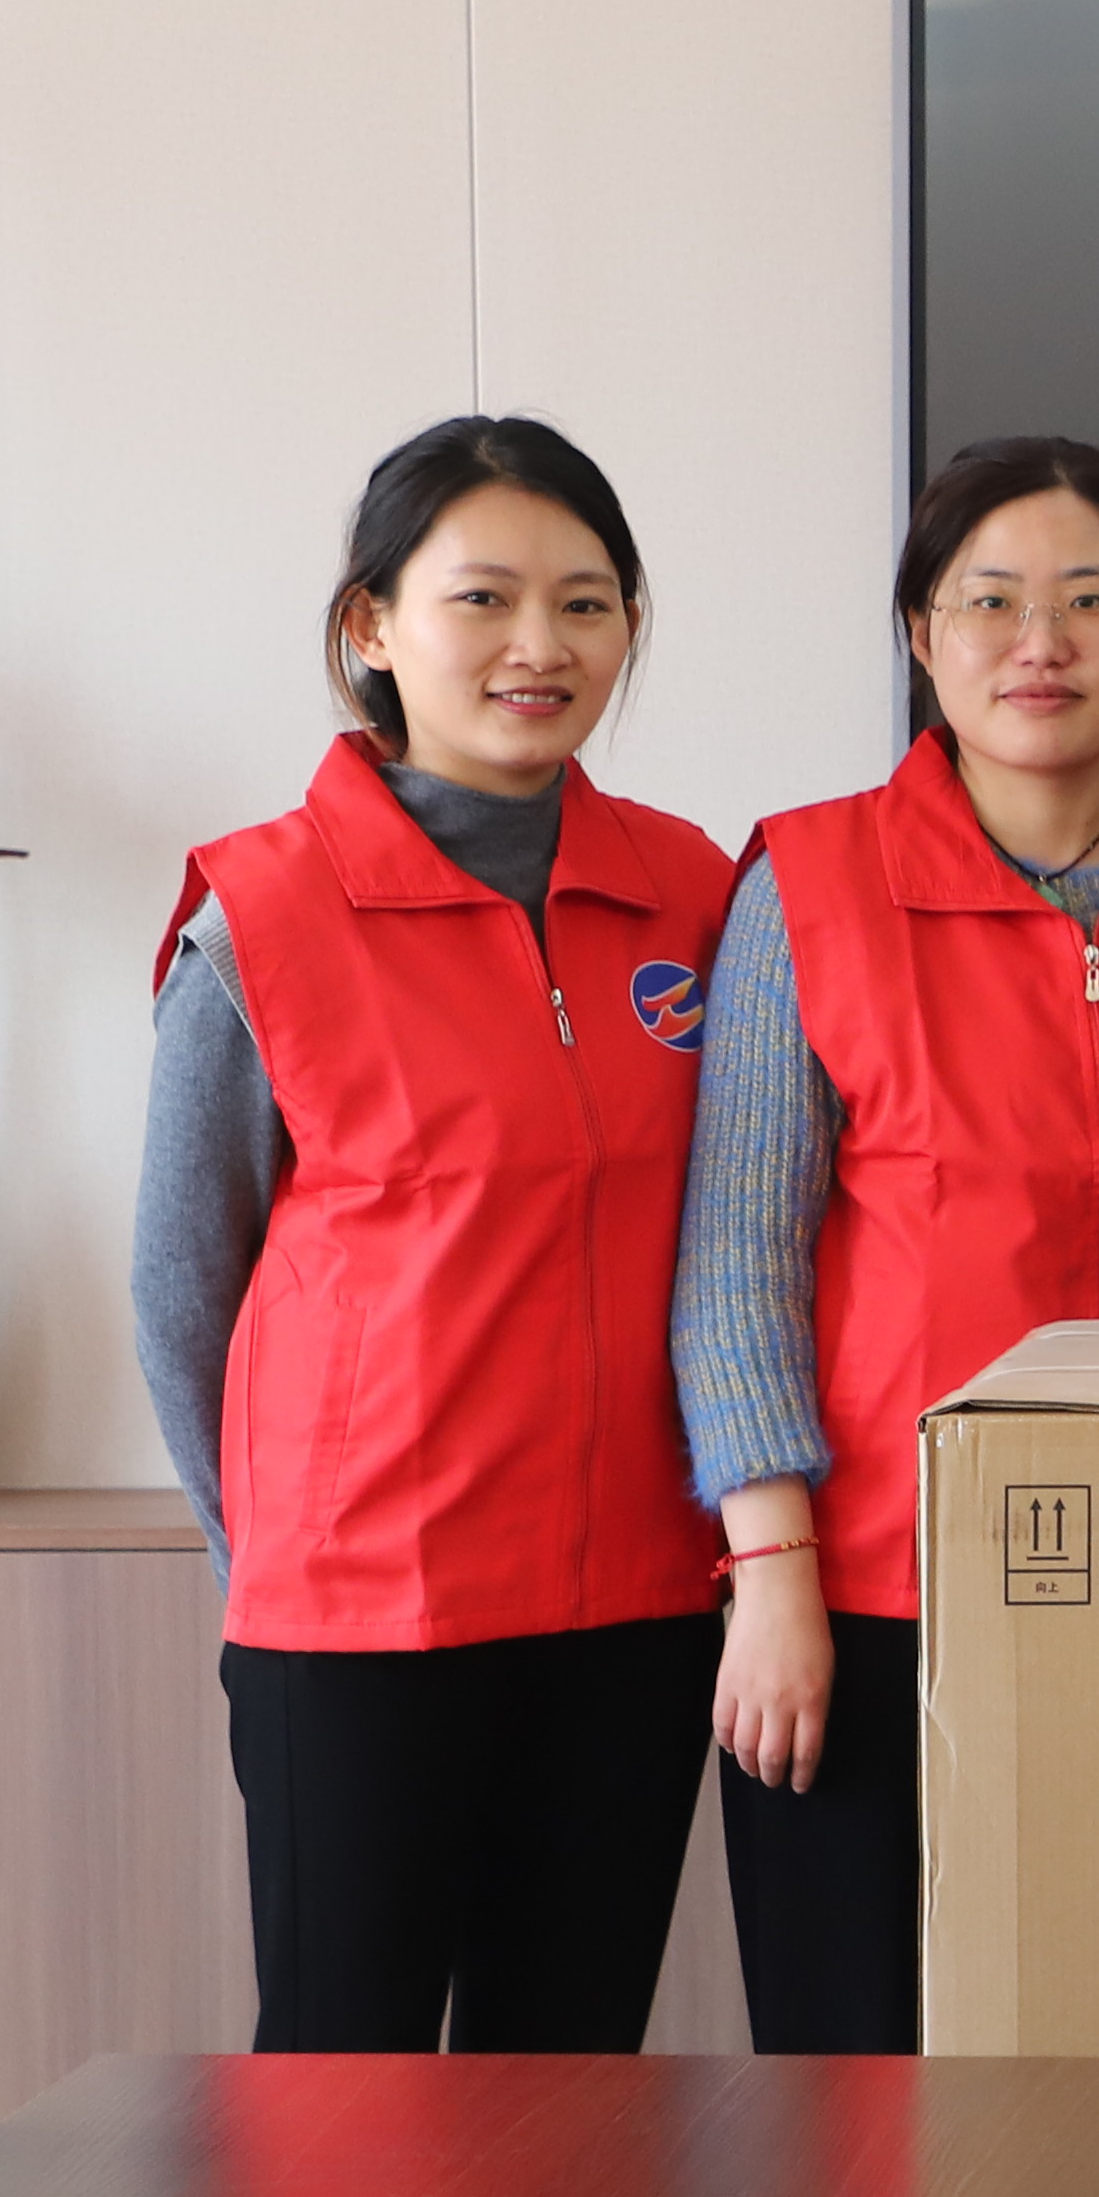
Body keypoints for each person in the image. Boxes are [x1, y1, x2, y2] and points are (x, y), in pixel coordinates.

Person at [674, 436, 1099, 2052]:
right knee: (853, 2083)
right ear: (920, 634)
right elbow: (738, 1265)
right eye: (991, 602)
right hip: (876, 1594)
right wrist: (773, 1579)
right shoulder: (808, 886)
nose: (1043, 643)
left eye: (1091, 600)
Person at [136, 415, 741, 2052]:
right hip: (363, 1624)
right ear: (373, 627)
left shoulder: (696, 894)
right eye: (483, 599)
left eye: (587, 603)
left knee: (569, 2105)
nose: (541, 646)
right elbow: (183, 1285)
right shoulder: (261, 913)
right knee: (347, 2111)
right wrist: (269, 1567)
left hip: (635, 1612)